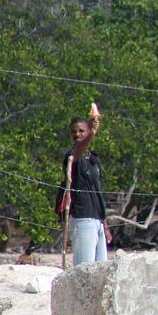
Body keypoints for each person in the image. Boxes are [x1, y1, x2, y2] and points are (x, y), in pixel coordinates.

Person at [61, 113, 112, 265]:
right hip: (83, 218)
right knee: (84, 269)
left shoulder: (94, 159)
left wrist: (105, 223)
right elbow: (77, 152)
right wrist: (91, 134)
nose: (77, 134)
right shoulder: (71, 155)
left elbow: (97, 191)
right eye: (74, 131)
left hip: (98, 219)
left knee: (102, 268)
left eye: (81, 131)